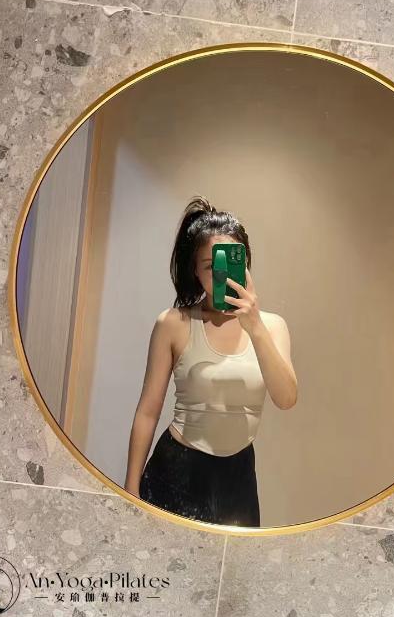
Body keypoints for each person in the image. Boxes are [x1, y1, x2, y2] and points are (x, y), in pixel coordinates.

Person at [123, 195, 297, 526]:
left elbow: (286, 398)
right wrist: (130, 490)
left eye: (230, 263)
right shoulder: (174, 323)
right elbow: (148, 410)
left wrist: (255, 327)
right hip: (176, 471)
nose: (221, 274)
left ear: (245, 264)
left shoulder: (272, 327)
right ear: (196, 271)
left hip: (239, 475)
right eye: (209, 266)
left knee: (233, 561)